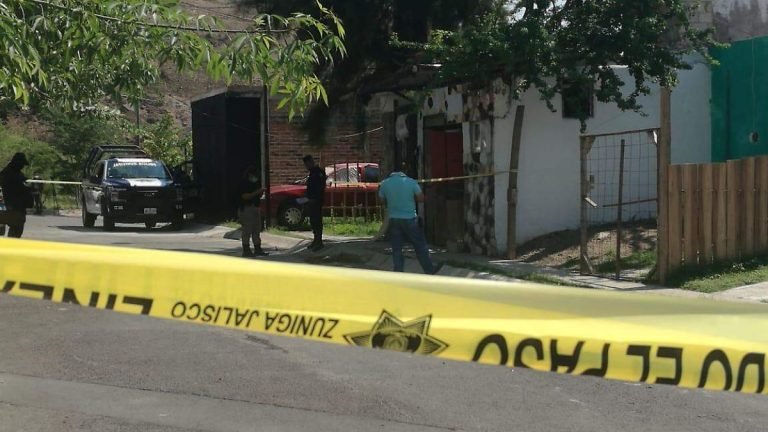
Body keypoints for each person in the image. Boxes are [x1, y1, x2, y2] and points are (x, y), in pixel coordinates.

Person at [378, 164, 438, 274]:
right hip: (410, 218)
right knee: (419, 245)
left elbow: (381, 200)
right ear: (404, 172)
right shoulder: (411, 182)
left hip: (394, 219)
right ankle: (429, 270)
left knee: (397, 248)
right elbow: (421, 198)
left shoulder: (384, 183)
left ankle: (398, 271)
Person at [0, 152, 33, 238]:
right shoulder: (11, 174)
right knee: (17, 225)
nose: (22, 166)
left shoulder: (9, 173)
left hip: (11, 206)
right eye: (22, 164)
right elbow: (18, 187)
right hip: (14, 206)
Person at [238, 165, 267, 257]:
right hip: (246, 208)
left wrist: (260, 193)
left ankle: (257, 248)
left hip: (255, 207)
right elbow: (244, 196)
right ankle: (246, 250)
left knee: (256, 229)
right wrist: (257, 192)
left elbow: (256, 195)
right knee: (247, 230)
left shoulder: (255, 183)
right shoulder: (244, 184)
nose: (256, 177)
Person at [302, 155, 326, 251]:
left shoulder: (318, 172)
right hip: (310, 200)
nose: (306, 166)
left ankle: (319, 241)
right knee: (313, 221)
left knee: (317, 220)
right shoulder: (312, 173)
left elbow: (320, 187)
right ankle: (316, 240)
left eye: (307, 164)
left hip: (316, 200)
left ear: (311, 162)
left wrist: (315, 199)